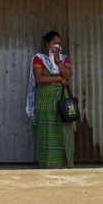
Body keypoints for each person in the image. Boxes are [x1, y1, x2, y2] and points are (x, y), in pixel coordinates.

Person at [26, 31, 74, 169]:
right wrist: (59, 78)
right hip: (45, 102)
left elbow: (68, 75)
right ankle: (47, 164)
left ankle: (63, 163)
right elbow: (39, 78)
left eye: (59, 44)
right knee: (46, 132)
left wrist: (58, 60)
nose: (57, 47)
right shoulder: (39, 59)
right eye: (54, 44)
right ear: (47, 45)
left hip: (62, 102)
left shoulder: (64, 59)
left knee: (63, 130)